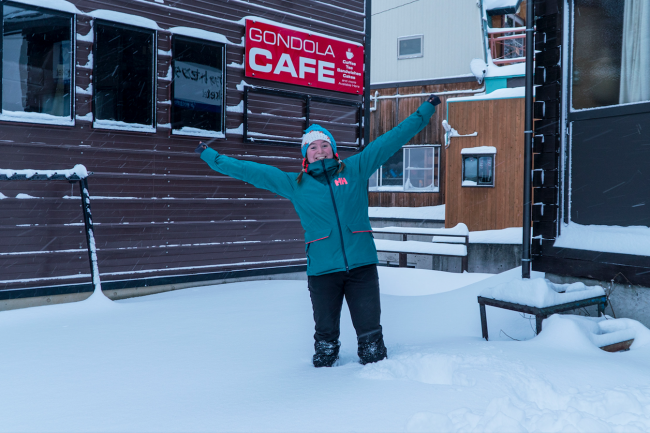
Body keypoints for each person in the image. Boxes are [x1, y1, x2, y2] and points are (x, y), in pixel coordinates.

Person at [195, 94, 441, 367]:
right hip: (323, 272)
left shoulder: (356, 168)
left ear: (334, 150)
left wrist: (425, 110)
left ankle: (375, 390)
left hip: (361, 266)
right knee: (325, 344)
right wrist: (212, 157)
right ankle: (322, 388)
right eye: (313, 147)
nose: (320, 150)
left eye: (325, 144)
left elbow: (392, 139)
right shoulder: (295, 184)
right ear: (305, 155)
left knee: (372, 344)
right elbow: (252, 171)